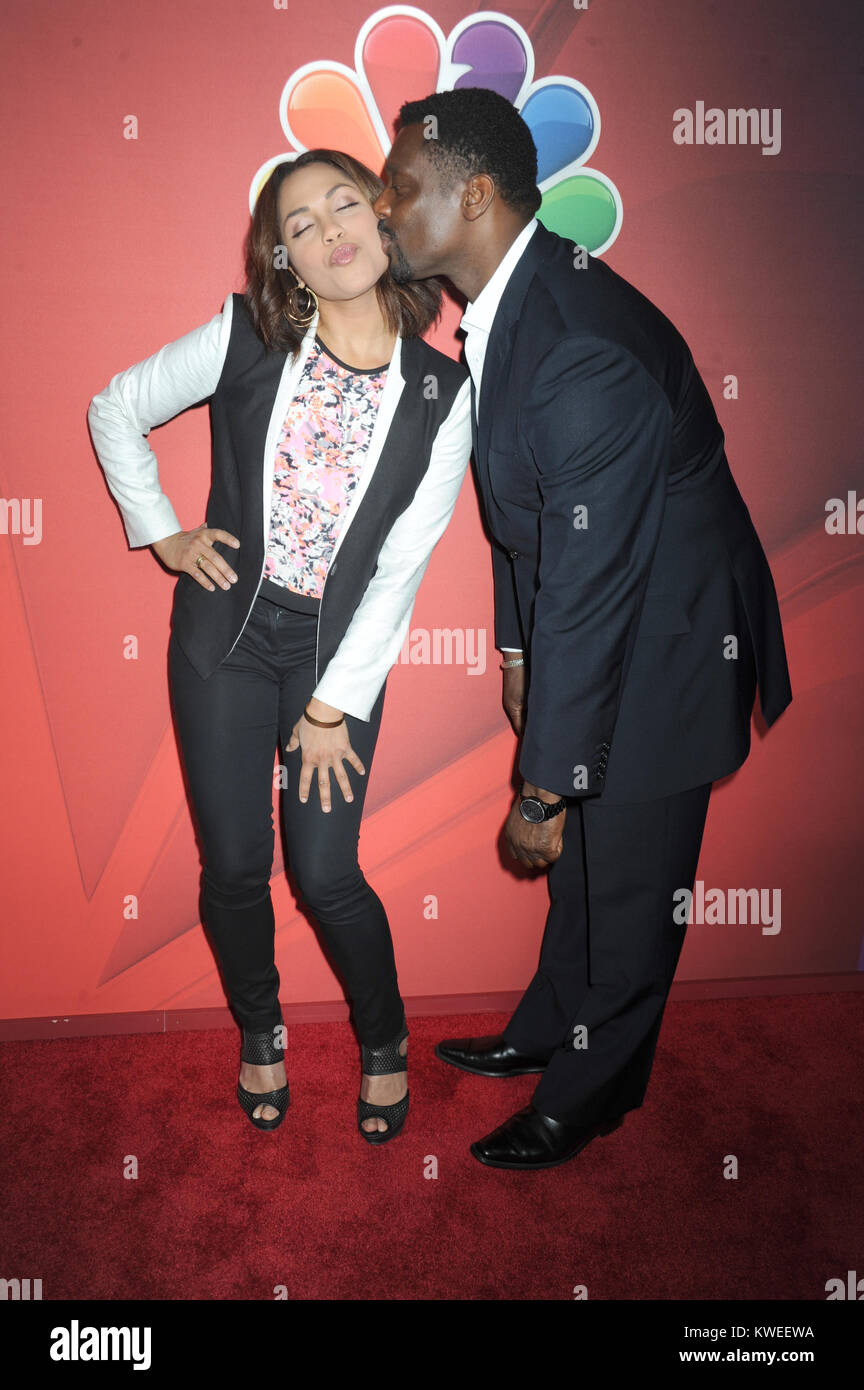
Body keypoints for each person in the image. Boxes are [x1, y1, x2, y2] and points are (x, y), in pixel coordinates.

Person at [373, 88, 792, 1170]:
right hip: (606, 610)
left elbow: (595, 582)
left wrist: (544, 786)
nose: (381, 210)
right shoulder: (517, 305)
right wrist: (516, 652)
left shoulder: (576, 345)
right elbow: (529, 524)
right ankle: (541, 1031)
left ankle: (592, 1094)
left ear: (472, 196)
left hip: (671, 638)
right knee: (584, 880)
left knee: (632, 880)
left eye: (398, 189)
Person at [88, 149, 472, 1143]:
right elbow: (116, 406)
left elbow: (401, 570)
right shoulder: (248, 334)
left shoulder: (443, 390)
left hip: (335, 661)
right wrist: (161, 528)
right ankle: (261, 1029)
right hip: (226, 638)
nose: (329, 229)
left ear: (383, 221)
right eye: (300, 224)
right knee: (232, 867)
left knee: (327, 871)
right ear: (286, 260)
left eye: (345, 203)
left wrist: (331, 705)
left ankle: (382, 1041)